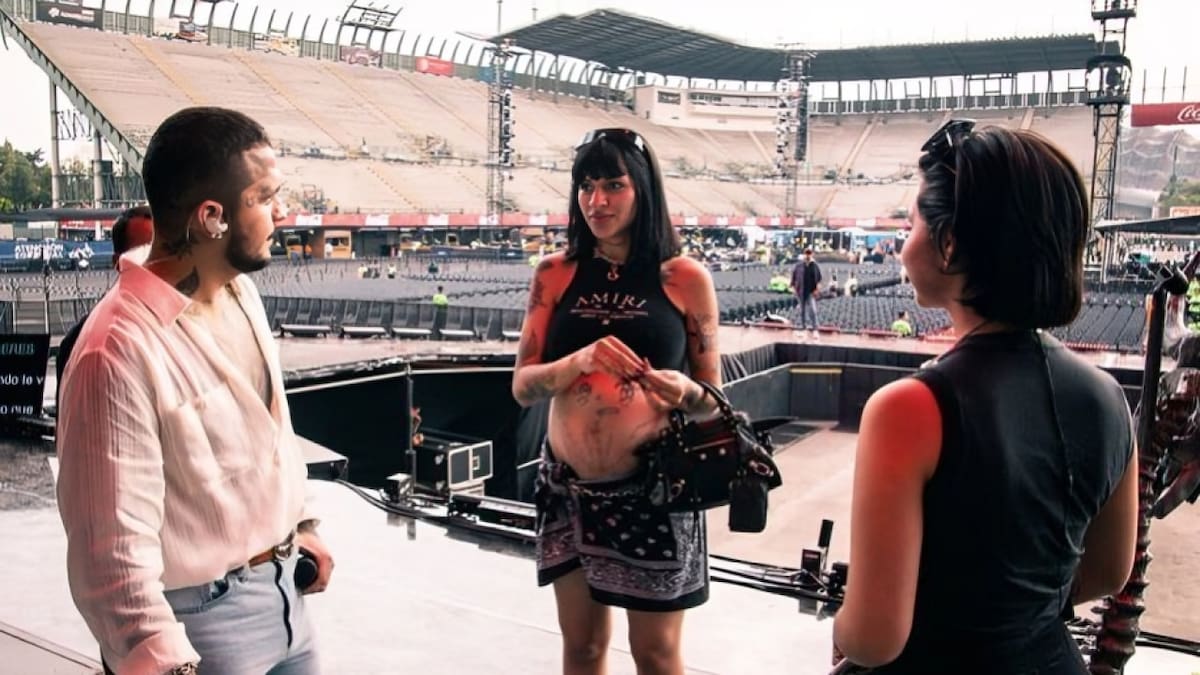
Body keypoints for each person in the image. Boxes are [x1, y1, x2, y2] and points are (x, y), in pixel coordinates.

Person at [832, 121, 1138, 674]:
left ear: (950, 244)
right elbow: (1108, 572)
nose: (904, 247)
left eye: (914, 223)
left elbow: (873, 640)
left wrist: (844, 622)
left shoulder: (908, 407)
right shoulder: (1108, 397)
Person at [56, 107, 334, 675]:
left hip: (287, 600)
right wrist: (164, 661)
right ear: (212, 217)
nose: (282, 212)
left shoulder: (240, 293)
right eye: (263, 197)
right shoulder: (114, 350)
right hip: (198, 624)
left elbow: (269, 439)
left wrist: (300, 526)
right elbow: (108, 555)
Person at [512, 128, 722, 674]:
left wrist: (684, 392)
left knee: (655, 654)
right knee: (581, 649)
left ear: (643, 189)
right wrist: (576, 362)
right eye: (585, 186)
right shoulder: (554, 274)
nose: (596, 201)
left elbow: (714, 402)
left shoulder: (684, 278)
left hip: (653, 493)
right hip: (568, 490)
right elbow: (522, 386)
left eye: (613, 185)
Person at [56, 205, 155, 399]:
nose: (154, 263)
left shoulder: (186, 327)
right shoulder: (85, 342)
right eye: (142, 253)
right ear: (118, 262)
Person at [791, 247, 822, 337]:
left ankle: (815, 329)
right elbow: (794, 276)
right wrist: (793, 287)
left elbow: (819, 278)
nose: (808, 255)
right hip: (801, 290)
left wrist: (817, 289)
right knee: (802, 311)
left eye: (809, 253)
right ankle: (804, 328)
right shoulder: (799, 265)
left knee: (813, 310)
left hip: (811, 291)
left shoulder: (814, 265)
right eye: (806, 253)